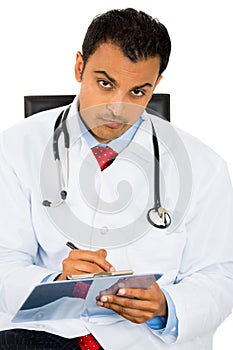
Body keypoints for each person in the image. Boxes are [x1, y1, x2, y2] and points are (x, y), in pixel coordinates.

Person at [0, 7, 232, 350]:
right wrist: (57, 281)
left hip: (144, 341)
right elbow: (5, 258)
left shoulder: (203, 165)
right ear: (80, 66)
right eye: (104, 83)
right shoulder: (15, 148)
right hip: (45, 336)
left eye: (138, 92)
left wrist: (166, 307)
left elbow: (221, 274)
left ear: (156, 85)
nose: (117, 107)